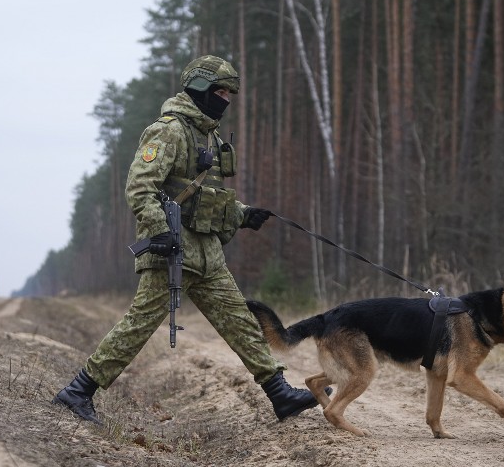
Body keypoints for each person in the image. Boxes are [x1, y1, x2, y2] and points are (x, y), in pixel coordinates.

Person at [53, 55, 328, 425]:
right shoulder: (169, 130)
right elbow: (140, 186)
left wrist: (244, 214)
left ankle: (279, 394)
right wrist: (159, 229)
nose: (226, 99)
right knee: (138, 325)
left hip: (207, 253)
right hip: (171, 250)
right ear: (199, 88)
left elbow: (204, 196)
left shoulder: (208, 134)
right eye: (221, 91)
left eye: (231, 93)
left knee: (240, 322)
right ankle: (78, 391)